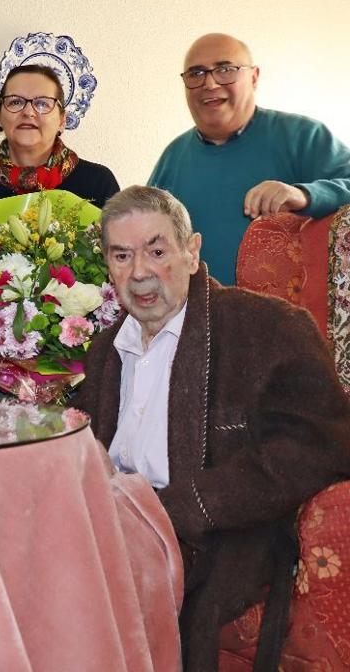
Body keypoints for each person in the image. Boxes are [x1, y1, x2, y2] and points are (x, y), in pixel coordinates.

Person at [72, 185, 350, 670]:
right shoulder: (104, 351)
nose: (139, 272)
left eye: (156, 250)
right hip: (106, 520)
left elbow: (319, 443)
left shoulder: (268, 327)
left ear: (192, 250)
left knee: (80, 582)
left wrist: (182, 506)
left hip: (208, 533)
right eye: (122, 255)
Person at [148, 33, 350, 284]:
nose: (210, 84)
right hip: (194, 318)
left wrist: (304, 195)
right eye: (196, 74)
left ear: (254, 77)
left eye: (225, 69)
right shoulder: (173, 157)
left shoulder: (302, 136)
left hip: (288, 319)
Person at [0, 64, 119, 207]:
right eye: (15, 102)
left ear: (62, 121)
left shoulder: (98, 183)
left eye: (42, 103)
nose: (28, 112)